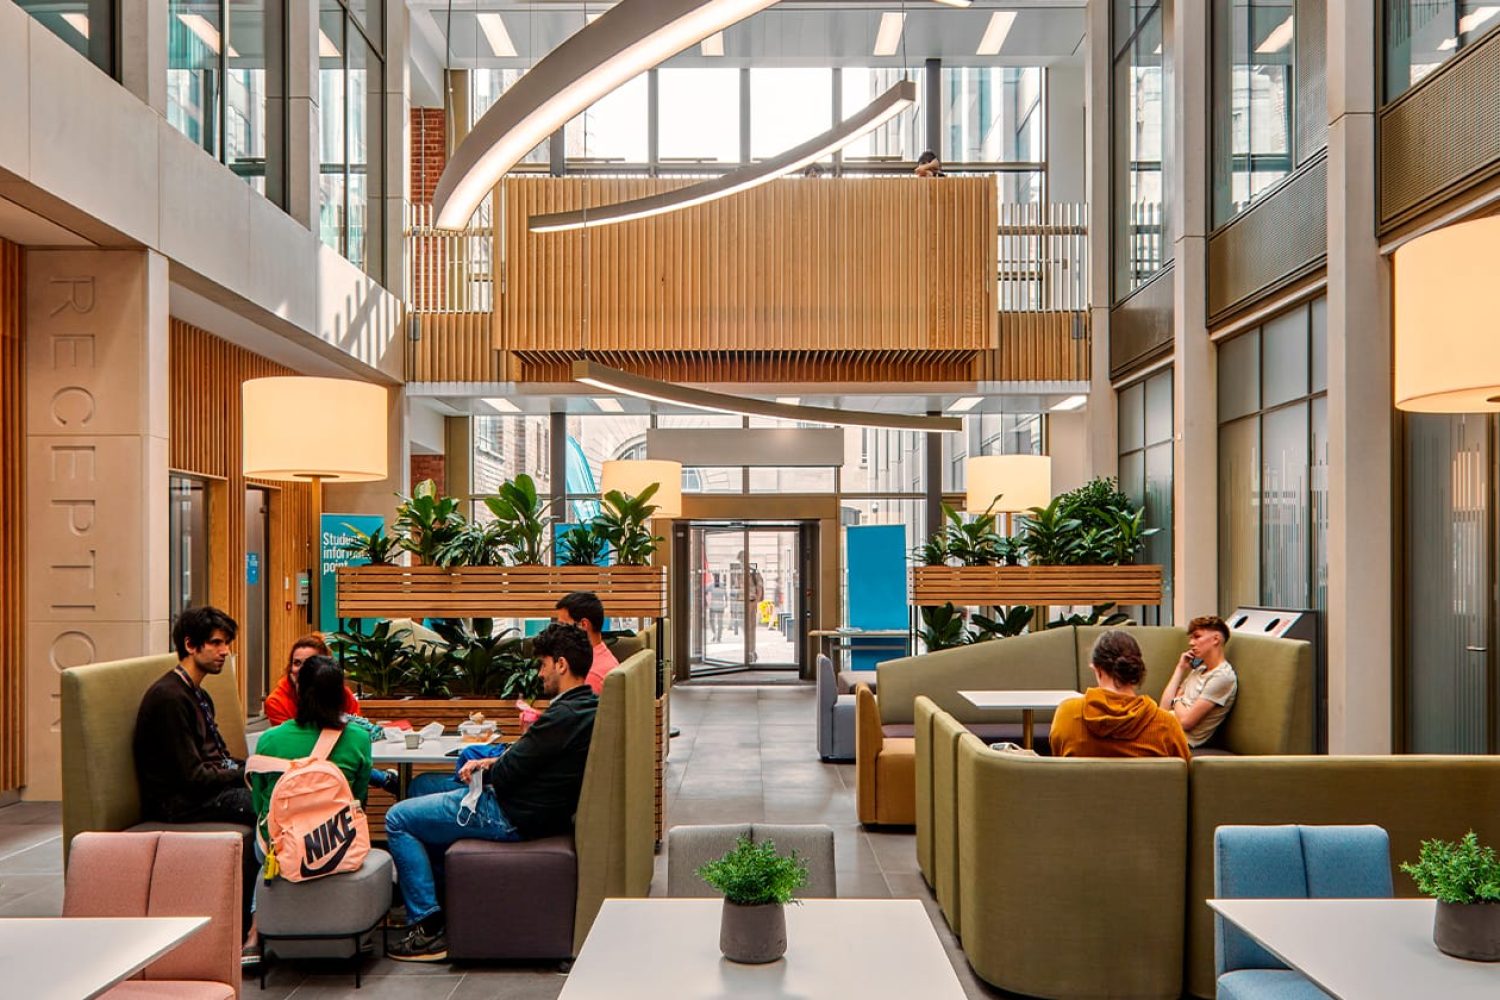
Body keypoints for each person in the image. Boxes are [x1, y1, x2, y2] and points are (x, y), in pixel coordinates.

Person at [384, 623, 598, 962]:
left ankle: (427, 925)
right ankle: (442, 898)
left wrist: (489, 767)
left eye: (542, 665)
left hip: (508, 815)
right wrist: (493, 761)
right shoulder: (584, 705)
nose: (540, 674)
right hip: (529, 807)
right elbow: (527, 757)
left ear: (561, 664)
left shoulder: (562, 714)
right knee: (420, 785)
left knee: (397, 818)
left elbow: (511, 773)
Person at [133, 606, 260, 960]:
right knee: (265, 811)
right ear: (190, 645)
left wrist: (252, 767)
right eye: (216, 644)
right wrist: (244, 773)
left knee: (276, 798)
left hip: (202, 791)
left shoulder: (197, 694)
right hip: (178, 803)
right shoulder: (170, 699)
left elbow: (215, 758)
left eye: (227, 644)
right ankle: (248, 925)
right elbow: (191, 776)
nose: (225, 652)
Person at [248, 655, 373, 868]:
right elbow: (359, 799)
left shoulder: (269, 739)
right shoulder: (359, 739)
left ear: (299, 692)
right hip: (336, 845)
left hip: (280, 848)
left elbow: (259, 803)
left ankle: (259, 901)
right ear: (342, 695)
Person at [1049, 630, 1190, 759]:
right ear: (1136, 671)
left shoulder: (1066, 715)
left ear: (1097, 670)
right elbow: (1185, 778)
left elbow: (1059, 770)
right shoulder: (1166, 725)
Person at [1160, 614, 1239, 749]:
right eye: (1191, 638)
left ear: (1216, 639)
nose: (1191, 643)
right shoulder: (1198, 670)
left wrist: (1177, 700)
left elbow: (1186, 722)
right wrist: (1180, 668)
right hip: (1164, 726)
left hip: (1178, 740)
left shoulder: (1222, 677)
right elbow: (1163, 708)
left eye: (1197, 637)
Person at [262, 634, 358, 725]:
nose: (302, 669)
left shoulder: (344, 695)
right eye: (297, 663)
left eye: (310, 662)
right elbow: (289, 738)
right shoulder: (276, 702)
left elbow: (356, 732)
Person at [553, 590, 620, 695]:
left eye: (563, 625)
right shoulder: (600, 656)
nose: (559, 631)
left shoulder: (590, 674)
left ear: (583, 625)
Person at [706, 575, 727, 643]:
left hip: (720, 605)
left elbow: (726, 595)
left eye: (717, 577)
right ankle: (715, 634)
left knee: (720, 622)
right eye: (715, 577)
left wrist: (726, 603)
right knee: (711, 621)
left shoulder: (722, 584)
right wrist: (706, 602)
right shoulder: (711, 585)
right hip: (713, 605)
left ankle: (718, 637)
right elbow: (705, 591)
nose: (716, 579)